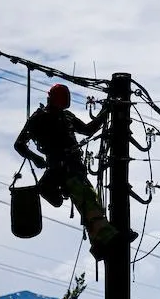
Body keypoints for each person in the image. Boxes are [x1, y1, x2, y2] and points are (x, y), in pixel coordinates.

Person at [14, 83, 136, 259]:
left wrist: (106, 111)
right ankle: (108, 238)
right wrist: (36, 158)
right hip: (61, 169)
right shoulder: (39, 118)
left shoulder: (66, 117)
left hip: (74, 166)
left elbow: (88, 130)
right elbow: (19, 144)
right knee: (87, 200)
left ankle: (99, 244)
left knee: (89, 200)